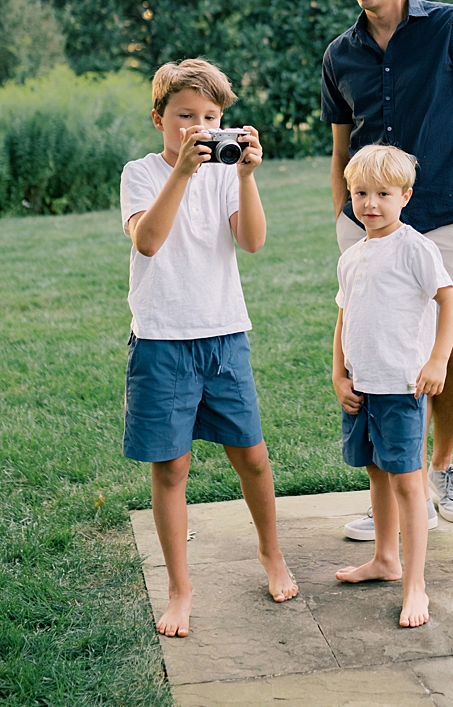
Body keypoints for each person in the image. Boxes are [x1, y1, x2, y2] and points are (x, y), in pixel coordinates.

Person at [323, 0, 453, 537]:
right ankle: (395, 500)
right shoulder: (340, 54)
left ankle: (441, 469)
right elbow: (343, 147)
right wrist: (343, 217)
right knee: (377, 358)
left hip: (448, 218)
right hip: (369, 224)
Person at [121, 59, 297, 640]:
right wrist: (182, 174)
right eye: (184, 117)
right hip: (162, 340)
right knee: (171, 466)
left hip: (223, 334)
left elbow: (252, 241)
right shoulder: (142, 173)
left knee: (251, 456)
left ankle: (271, 553)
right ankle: (180, 587)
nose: (197, 127)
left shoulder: (226, 173)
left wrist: (245, 176)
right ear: (159, 119)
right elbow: (147, 241)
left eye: (211, 117)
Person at [330, 142, 453, 629]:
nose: (371, 204)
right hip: (362, 388)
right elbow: (343, 320)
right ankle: (386, 559)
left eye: (383, 193)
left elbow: (452, 304)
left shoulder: (415, 248)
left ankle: (415, 585)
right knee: (377, 474)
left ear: (405, 195)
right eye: (361, 192)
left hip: (403, 387)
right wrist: (339, 374)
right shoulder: (352, 256)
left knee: (409, 485)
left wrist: (438, 360)